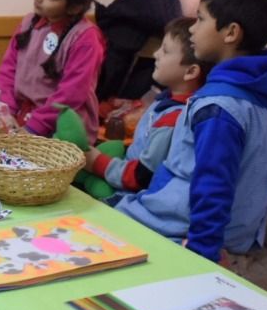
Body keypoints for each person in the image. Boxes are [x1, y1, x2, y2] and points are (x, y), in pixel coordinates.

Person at [114, 0, 267, 262]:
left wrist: (201, 254)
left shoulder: (219, 109)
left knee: (93, 224)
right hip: (233, 230)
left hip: (177, 226)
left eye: (200, 19)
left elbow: (213, 186)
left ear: (231, 32)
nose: (192, 29)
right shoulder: (262, 91)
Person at [84, 17, 211, 194]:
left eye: (165, 51)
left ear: (191, 72)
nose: (156, 54)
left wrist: (97, 162)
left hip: (131, 192)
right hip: (124, 178)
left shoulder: (174, 118)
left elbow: (141, 177)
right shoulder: (165, 101)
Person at [0, 0, 104, 138]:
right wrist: (6, 111)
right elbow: (7, 71)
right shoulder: (28, 23)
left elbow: (71, 94)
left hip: (62, 127)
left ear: (74, 7)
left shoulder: (85, 38)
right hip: (22, 118)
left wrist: (34, 128)